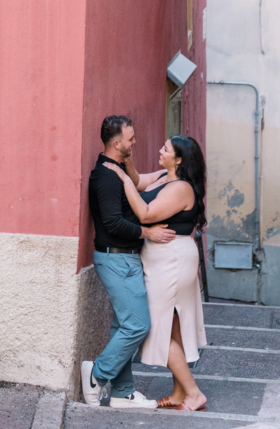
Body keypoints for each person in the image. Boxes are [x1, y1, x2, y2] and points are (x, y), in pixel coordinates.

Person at [105, 135, 208, 412]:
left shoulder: (181, 188)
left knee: (157, 327)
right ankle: (179, 392)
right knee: (172, 327)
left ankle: (194, 394)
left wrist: (124, 181)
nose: (160, 151)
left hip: (172, 262)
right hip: (162, 259)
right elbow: (139, 181)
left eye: (166, 149)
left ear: (179, 160)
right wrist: (128, 163)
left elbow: (147, 214)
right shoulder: (165, 175)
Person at [82, 115, 175, 409]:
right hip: (116, 260)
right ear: (116, 143)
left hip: (125, 259)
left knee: (122, 325)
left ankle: (122, 392)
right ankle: (96, 375)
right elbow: (112, 222)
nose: (135, 142)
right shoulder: (106, 176)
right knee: (137, 325)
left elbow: (138, 182)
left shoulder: (118, 169)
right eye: (131, 139)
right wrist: (148, 232)